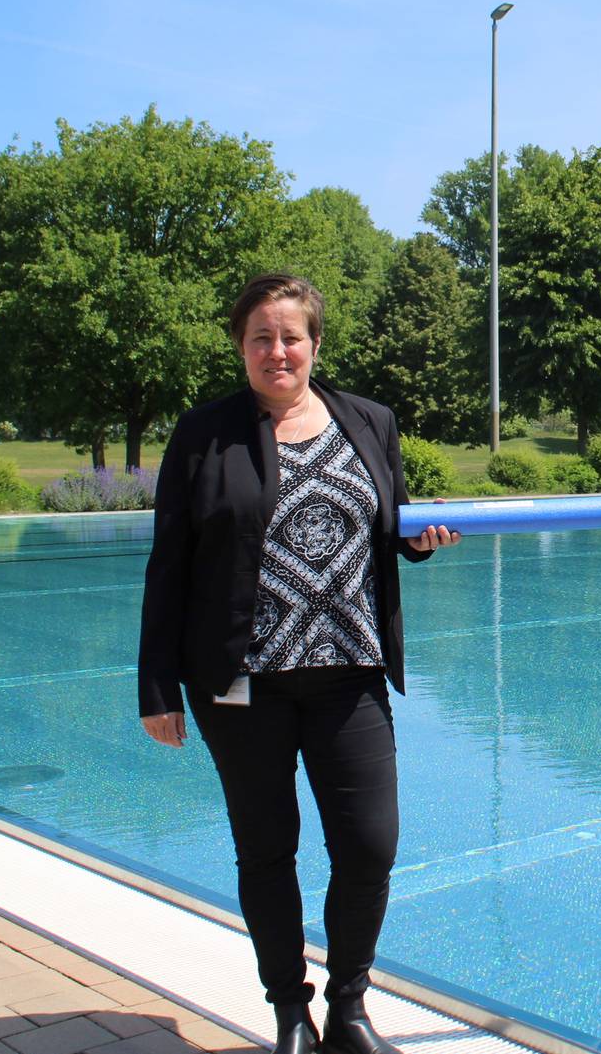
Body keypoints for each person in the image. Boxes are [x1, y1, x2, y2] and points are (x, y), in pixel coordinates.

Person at [138, 273, 460, 1054]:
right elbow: (169, 560)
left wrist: (414, 542)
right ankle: (290, 1013)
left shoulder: (369, 421)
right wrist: (156, 687)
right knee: (267, 847)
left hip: (349, 675)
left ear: (315, 343)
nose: (277, 350)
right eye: (261, 337)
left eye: (291, 336)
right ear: (242, 346)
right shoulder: (204, 432)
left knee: (369, 845)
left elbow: (387, 519)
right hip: (243, 684)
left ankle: (350, 1009)